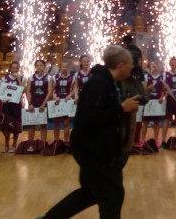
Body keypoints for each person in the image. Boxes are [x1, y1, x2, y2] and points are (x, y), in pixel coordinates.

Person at [40, 45, 139, 219]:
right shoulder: (99, 83)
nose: (133, 67)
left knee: (91, 193)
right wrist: (121, 109)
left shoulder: (109, 83)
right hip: (92, 149)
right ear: (121, 65)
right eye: (131, 63)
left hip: (96, 148)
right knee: (113, 194)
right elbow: (87, 117)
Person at [24, 59, 54, 151]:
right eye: (37, 65)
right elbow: (27, 91)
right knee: (31, 125)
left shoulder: (49, 78)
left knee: (43, 125)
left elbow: (50, 92)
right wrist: (30, 103)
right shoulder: (30, 78)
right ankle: (30, 145)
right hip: (33, 103)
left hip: (43, 103)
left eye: (41, 65)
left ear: (44, 67)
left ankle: (43, 144)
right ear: (35, 67)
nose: (39, 67)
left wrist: (44, 104)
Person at [0, 61, 23, 153]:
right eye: (13, 68)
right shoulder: (4, 78)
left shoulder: (22, 78)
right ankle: (6, 145)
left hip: (16, 104)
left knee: (16, 125)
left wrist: (19, 79)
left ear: (19, 69)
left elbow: (23, 90)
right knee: (6, 125)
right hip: (7, 104)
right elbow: (1, 91)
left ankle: (14, 145)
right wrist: (2, 98)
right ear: (10, 69)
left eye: (16, 68)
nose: (15, 70)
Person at [141, 61, 167, 144]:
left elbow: (164, 90)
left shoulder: (161, 77)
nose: (154, 68)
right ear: (149, 68)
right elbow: (143, 89)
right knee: (145, 122)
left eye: (155, 66)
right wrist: (148, 87)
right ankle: (142, 140)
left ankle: (156, 140)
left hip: (157, 102)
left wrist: (162, 97)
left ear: (158, 67)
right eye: (152, 66)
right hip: (148, 102)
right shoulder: (146, 77)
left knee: (156, 123)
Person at [51, 61, 76, 144]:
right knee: (56, 123)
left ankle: (66, 141)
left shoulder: (72, 78)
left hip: (67, 102)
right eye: (63, 67)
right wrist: (54, 96)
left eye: (66, 67)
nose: (64, 69)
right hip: (57, 102)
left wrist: (70, 95)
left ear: (68, 68)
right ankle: (56, 141)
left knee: (66, 123)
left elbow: (74, 90)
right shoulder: (54, 77)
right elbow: (52, 90)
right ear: (60, 68)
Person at [161, 57, 176, 145]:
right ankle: (163, 140)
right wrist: (164, 96)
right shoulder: (166, 74)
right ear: (170, 64)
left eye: (175, 63)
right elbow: (163, 88)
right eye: (172, 63)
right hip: (170, 98)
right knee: (167, 119)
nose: (174, 65)